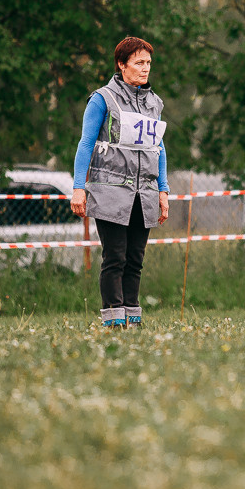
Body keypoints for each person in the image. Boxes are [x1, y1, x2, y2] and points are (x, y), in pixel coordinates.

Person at [70, 36, 169, 328]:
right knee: (115, 258)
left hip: (144, 193)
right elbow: (86, 143)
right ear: (122, 64)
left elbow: (159, 148)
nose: (145, 68)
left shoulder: (154, 103)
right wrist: (78, 187)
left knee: (135, 259)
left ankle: (133, 320)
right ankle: (114, 321)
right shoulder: (102, 99)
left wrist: (163, 190)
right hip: (110, 191)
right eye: (139, 62)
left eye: (148, 62)